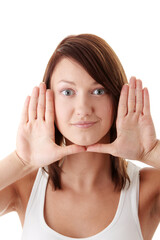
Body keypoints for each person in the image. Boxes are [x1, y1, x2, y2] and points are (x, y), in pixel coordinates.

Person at [0, 34, 160, 240]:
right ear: (49, 99)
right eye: (68, 92)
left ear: (117, 97)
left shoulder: (147, 188)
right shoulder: (24, 185)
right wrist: (21, 161)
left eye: (98, 91)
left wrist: (151, 152)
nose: (83, 109)